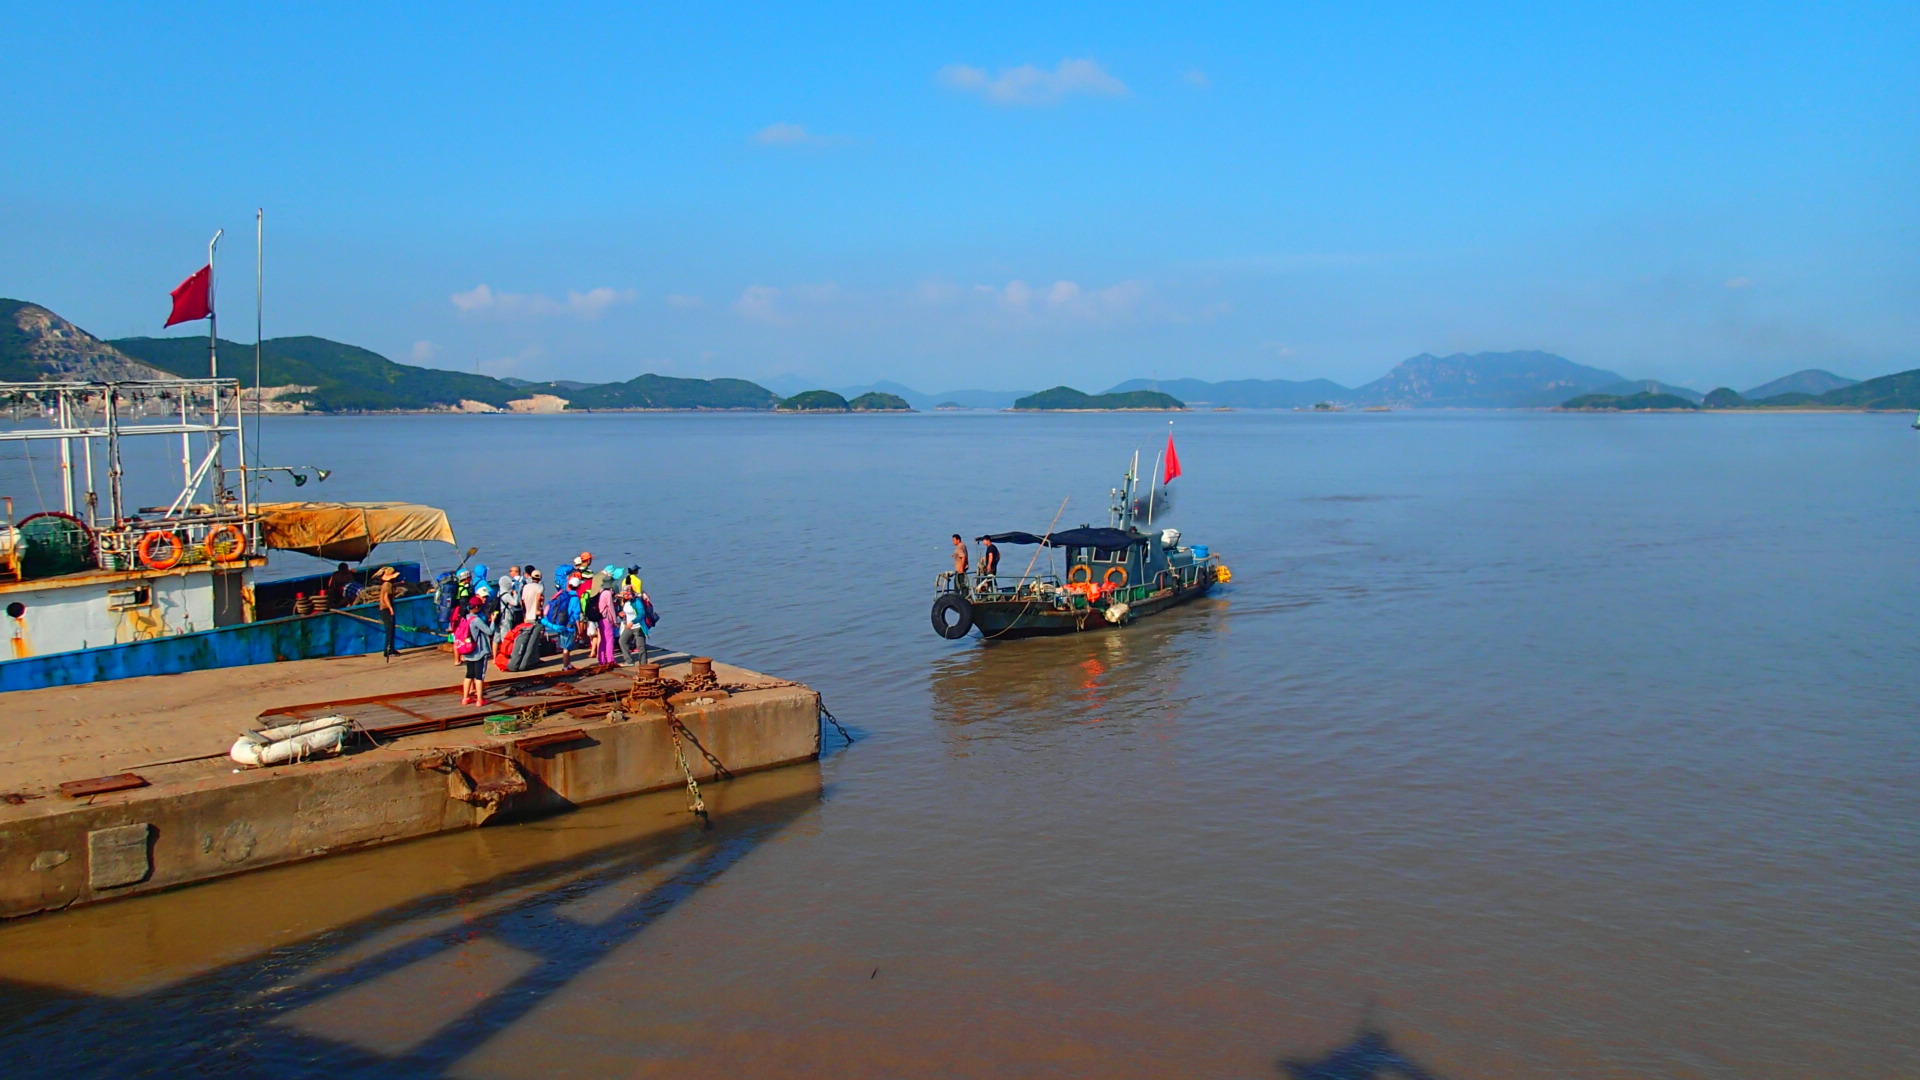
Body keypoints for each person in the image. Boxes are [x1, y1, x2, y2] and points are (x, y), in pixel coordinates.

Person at [456, 595, 493, 706]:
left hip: (467, 650)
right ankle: (479, 700)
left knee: (469, 675)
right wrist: (493, 621)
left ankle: (465, 698)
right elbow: (489, 631)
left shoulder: (464, 618)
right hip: (479, 651)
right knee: (478, 676)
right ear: (476, 607)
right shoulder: (476, 620)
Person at [616, 587, 648, 665]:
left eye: (625, 594)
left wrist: (633, 622)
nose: (624, 596)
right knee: (622, 641)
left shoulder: (637, 601)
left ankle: (643, 664)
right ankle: (629, 661)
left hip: (638, 626)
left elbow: (642, 614)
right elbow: (625, 612)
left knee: (640, 646)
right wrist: (620, 614)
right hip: (629, 626)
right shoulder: (625, 602)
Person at [375, 566, 401, 658]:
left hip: (384, 609)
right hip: (385, 609)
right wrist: (390, 608)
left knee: (391, 629)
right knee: (389, 630)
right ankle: (388, 650)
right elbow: (386, 597)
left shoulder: (386, 584)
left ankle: (391, 649)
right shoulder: (388, 585)